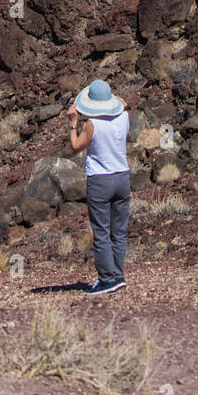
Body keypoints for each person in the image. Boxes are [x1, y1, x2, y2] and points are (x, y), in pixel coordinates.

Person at [67, 79, 130, 295]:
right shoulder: (124, 117)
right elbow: (126, 139)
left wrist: (73, 123)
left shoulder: (92, 125)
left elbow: (75, 146)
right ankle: (118, 275)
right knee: (118, 231)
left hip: (100, 180)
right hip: (122, 177)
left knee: (102, 231)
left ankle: (106, 279)